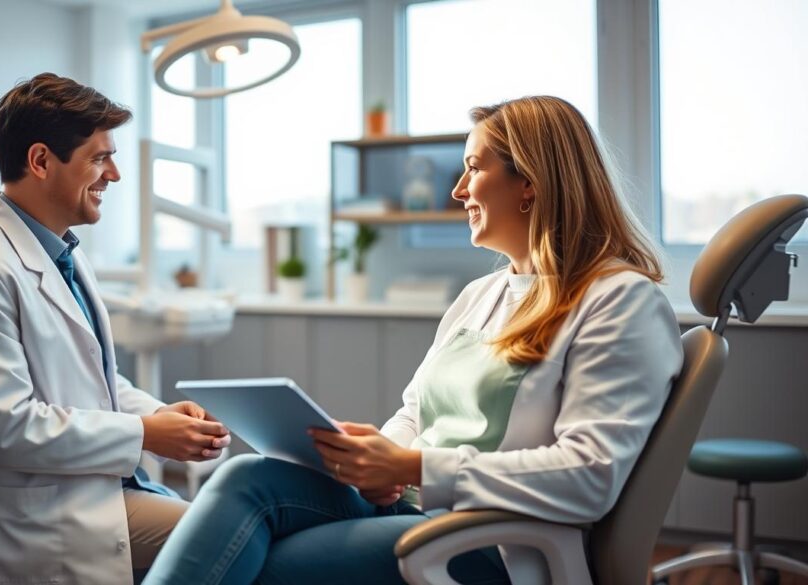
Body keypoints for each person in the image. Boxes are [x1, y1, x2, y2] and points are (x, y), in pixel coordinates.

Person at [142, 95, 683, 585]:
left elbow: (589, 476)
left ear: (531, 182)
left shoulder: (620, 300)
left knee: (261, 562)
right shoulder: (481, 294)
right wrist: (377, 459)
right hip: (411, 505)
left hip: (493, 541)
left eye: (474, 168)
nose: (459, 189)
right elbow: (414, 411)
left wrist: (411, 468)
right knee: (246, 477)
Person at [0, 72, 231, 585]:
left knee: (232, 523)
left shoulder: (61, 253)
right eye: (99, 158)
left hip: (90, 492)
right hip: (28, 524)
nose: (115, 175)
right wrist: (148, 433)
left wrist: (159, 414)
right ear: (40, 161)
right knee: (232, 533)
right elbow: (8, 429)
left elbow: (96, 384)